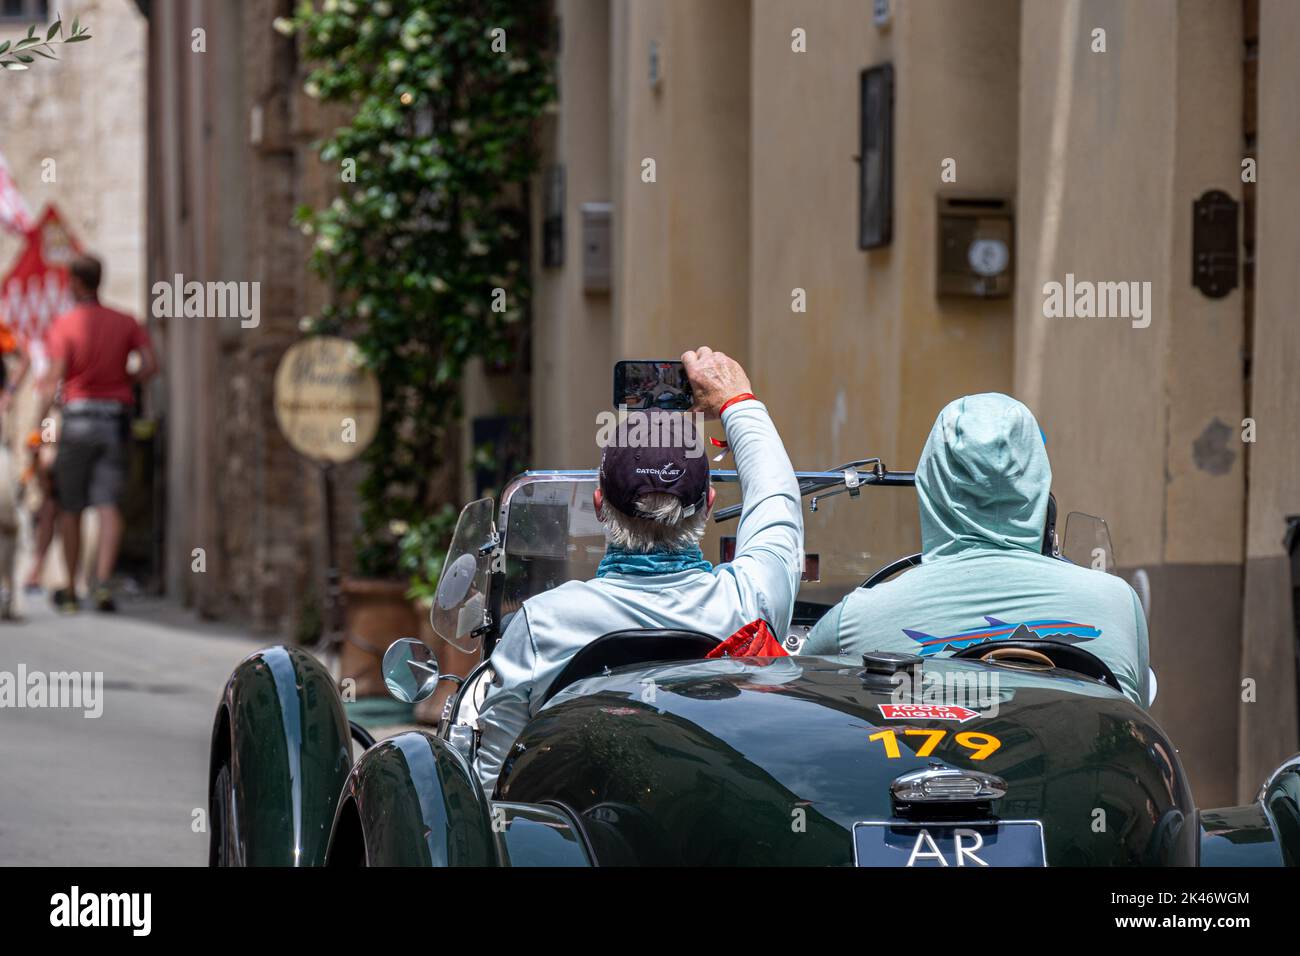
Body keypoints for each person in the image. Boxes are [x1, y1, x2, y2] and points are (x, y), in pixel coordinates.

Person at [473, 346, 804, 794]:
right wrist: (736, 400)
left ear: (598, 506)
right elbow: (777, 500)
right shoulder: (750, 603)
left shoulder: (543, 623)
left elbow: (495, 770)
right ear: (709, 504)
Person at [802, 392, 1150, 707]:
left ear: (932, 486)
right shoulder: (1119, 603)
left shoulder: (856, 618)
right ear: (1038, 485)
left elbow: (804, 705)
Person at [36, 254, 159, 613]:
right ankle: (102, 583)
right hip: (115, 419)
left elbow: (53, 378)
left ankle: (72, 590)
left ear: (76, 282)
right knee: (108, 504)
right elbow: (151, 365)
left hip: (77, 419)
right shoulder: (125, 321)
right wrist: (125, 381)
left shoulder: (65, 324)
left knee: (70, 506)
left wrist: (38, 426)